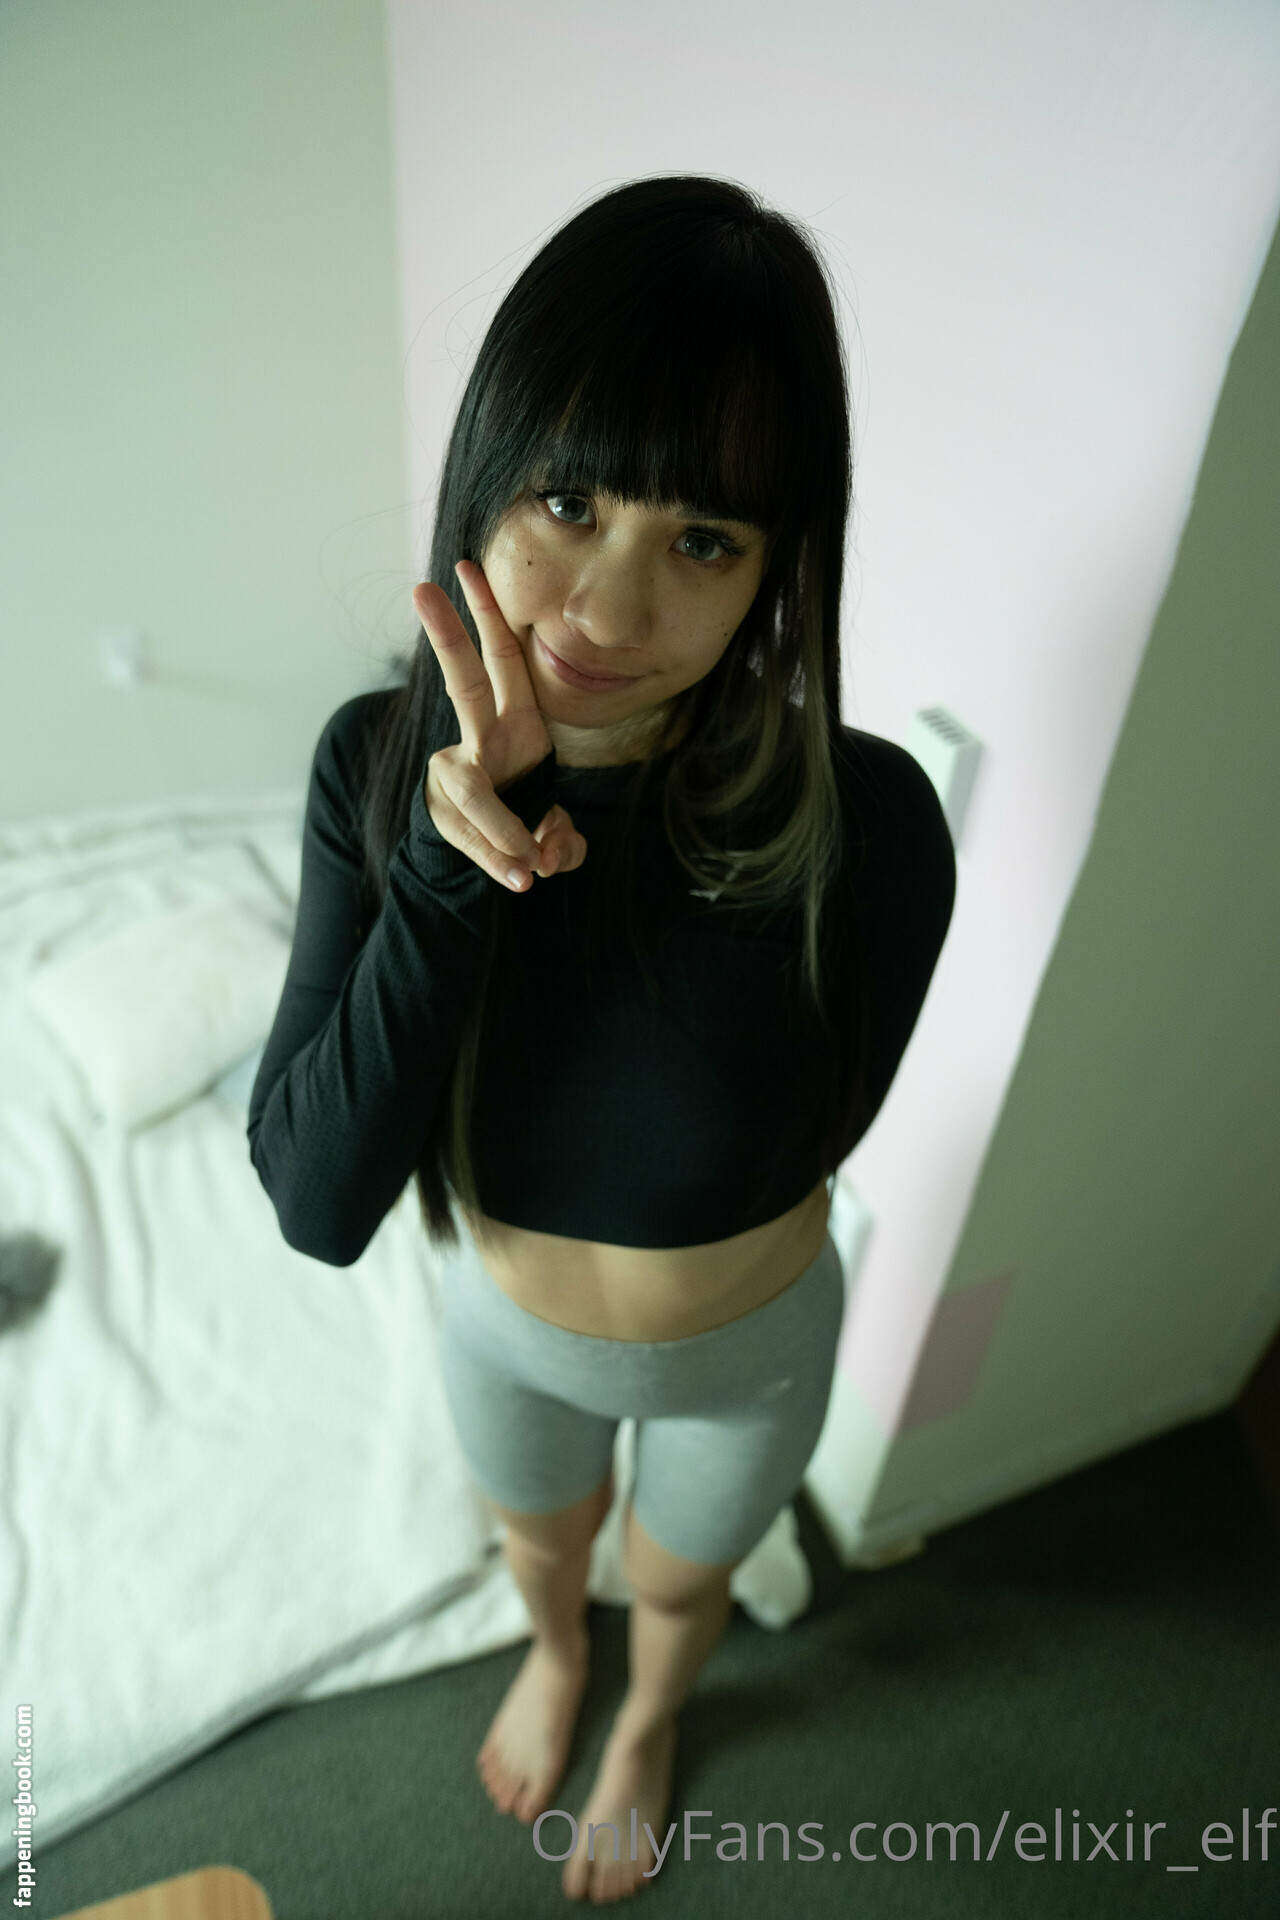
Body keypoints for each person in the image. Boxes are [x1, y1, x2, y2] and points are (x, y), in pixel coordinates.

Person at [249, 175, 956, 1903]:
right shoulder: (369, 769)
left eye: (702, 541)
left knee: (687, 1584)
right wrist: (452, 869)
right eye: (568, 501)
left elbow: (822, 1126)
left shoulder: (867, 822)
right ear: (487, 471)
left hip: (750, 1350)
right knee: (546, 1555)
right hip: (506, 1331)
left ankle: (647, 1717)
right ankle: (566, 1662)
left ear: (777, 567)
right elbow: (320, 1202)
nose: (607, 612)